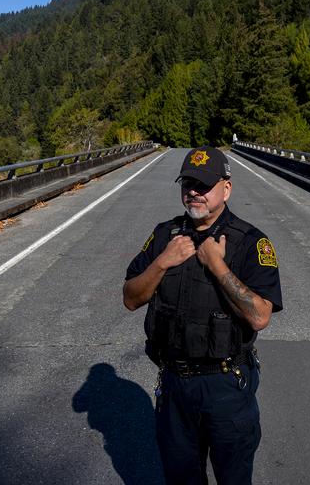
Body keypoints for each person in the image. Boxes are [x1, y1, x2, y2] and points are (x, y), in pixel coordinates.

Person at [123, 146, 283, 485]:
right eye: (188, 184)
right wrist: (162, 261)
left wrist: (216, 265)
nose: (194, 192)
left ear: (226, 188)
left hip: (225, 386)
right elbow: (130, 298)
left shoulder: (250, 242)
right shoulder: (165, 235)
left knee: (233, 478)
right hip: (175, 385)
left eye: (203, 184)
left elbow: (259, 317)